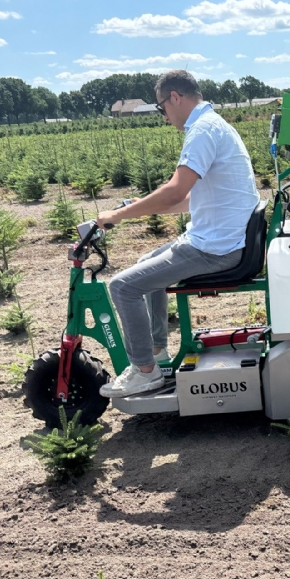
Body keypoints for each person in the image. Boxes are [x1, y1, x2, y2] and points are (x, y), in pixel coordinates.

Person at [97, 70, 259, 398]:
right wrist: (138, 208)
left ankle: (145, 371)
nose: (164, 117)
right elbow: (188, 199)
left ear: (175, 97)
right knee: (146, 261)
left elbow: (174, 192)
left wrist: (117, 215)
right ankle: (155, 351)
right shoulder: (215, 125)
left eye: (162, 109)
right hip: (220, 238)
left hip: (215, 247)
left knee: (122, 286)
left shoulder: (202, 130)